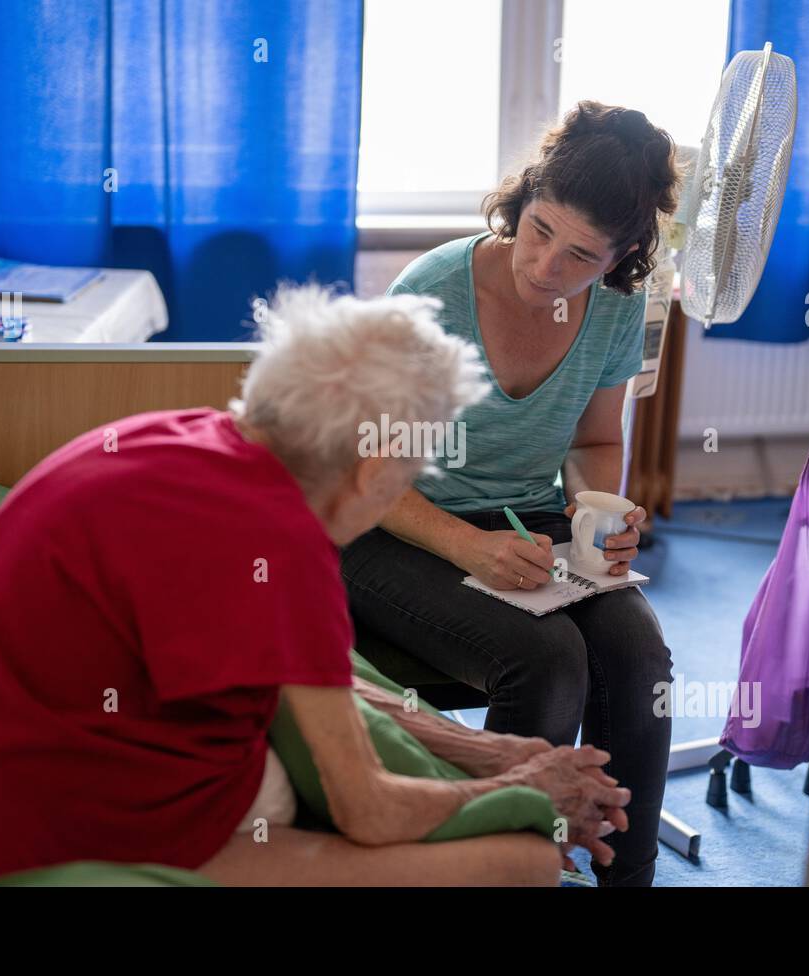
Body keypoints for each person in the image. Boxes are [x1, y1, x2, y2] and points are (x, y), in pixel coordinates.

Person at [0, 285, 630, 887]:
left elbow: (302, 684)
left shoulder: (184, 436)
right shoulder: (282, 547)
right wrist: (521, 792)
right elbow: (369, 811)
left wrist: (499, 751)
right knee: (525, 862)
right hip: (41, 841)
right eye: (412, 476)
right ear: (375, 467)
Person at [341, 101, 680, 886]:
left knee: (641, 658)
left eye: (581, 256)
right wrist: (469, 547)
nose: (544, 268)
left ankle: (628, 875)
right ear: (521, 202)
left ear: (623, 255)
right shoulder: (430, 294)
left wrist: (604, 512)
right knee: (548, 660)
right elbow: (368, 469)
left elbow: (595, 444)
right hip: (386, 524)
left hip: (523, 520)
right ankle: (496, 871)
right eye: (538, 230)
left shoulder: (621, 307)